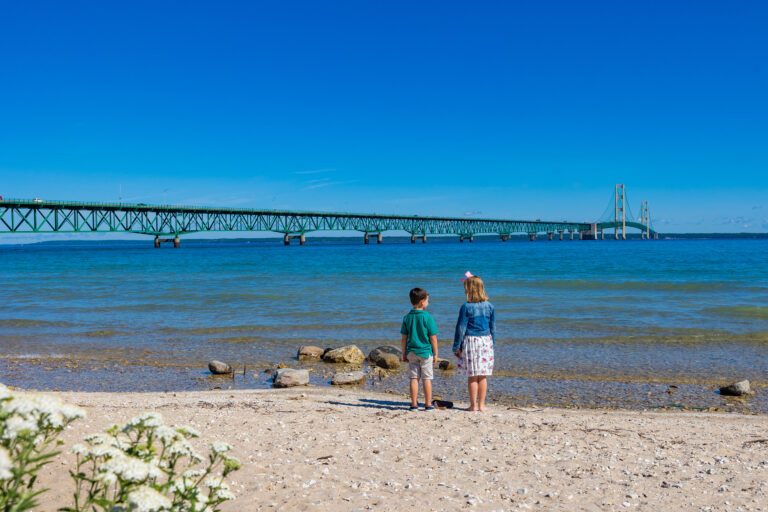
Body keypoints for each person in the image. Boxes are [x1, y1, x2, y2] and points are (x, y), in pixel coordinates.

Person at [453, 272, 495, 412]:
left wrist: (456, 346)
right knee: (482, 376)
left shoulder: (466, 307)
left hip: (471, 341)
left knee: (472, 376)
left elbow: (461, 328)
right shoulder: (490, 306)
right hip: (486, 341)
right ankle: (482, 405)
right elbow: (492, 327)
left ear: (469, 290)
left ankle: (473, 405)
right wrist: (492, 343)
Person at [400, 287, 439, 411]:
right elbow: (433, 338)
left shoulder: (407, 317)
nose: (428, 303)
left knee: (414, 378)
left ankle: (413, 404)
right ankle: (428, 404)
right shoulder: (427, 317)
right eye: (428, 300)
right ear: (422, 302)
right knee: (427, 378)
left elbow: (404, 338)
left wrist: (404, 353)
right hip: (426, 352)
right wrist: (436, 354)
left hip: (411, 352)